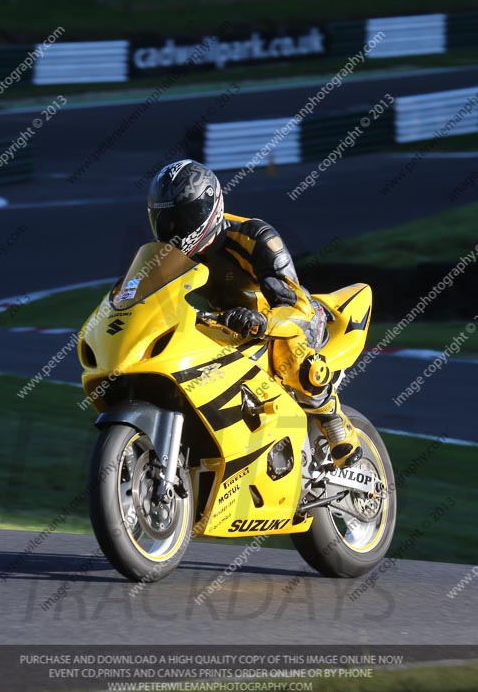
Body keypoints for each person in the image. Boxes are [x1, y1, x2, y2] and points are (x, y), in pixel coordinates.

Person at [147, 159, 362, 469]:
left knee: (291, 352)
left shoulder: (256, 237)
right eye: (166, 220)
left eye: (182, 218)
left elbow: (294, 303)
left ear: (208, 207)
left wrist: (263, 320)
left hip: (285, 321)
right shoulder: (169, 260)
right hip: (229, 329)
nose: (174, 230)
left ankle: (335, 424)